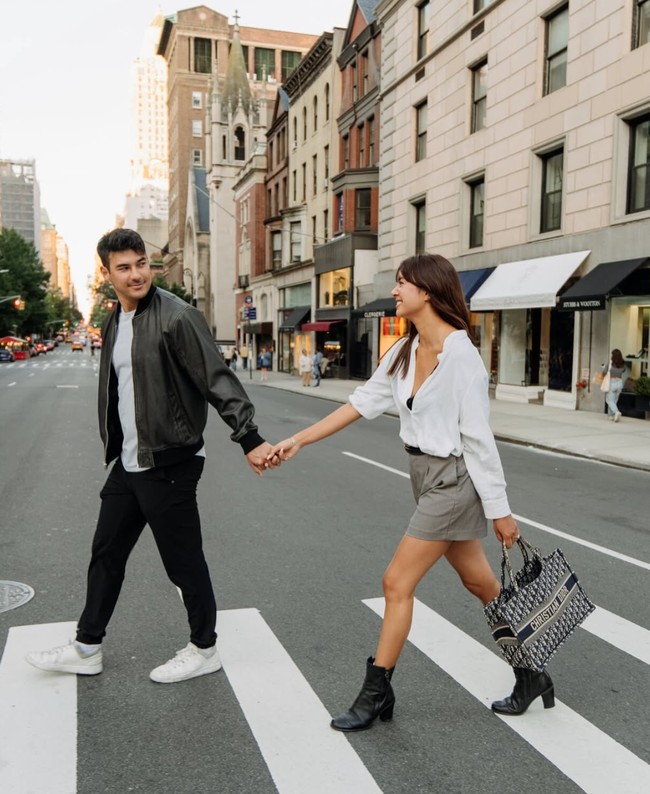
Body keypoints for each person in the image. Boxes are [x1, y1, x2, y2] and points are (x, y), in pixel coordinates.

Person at [268, 253, 549, 731]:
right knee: (481, 585)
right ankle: (531, 672)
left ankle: (376, 692)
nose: (395, 291)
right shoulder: (404, 349)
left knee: (396, 583)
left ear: (428, 291)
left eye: (402, 283)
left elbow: (479, 440)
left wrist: (500, 511)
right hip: (423, 477)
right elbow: (359, 404)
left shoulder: (461, 356)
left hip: (452, 482)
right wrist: (298, 440)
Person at [26, 228, 279, 684]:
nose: (136, 274)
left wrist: (250, 437)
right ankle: (86, 647)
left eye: (141, 263)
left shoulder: (177, 317)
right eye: (124, 268)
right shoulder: (114, 321)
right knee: (106, 553)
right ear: (107, 275)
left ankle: (204, 648)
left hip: (170, 460)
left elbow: (216, 378)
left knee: (183, 563)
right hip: (129, 462)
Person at [602, 348, 626, 422]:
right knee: (614, 400)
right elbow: (624, 370)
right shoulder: (623, 363)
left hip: (612, 382)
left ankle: (616, 412)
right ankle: (611, 416)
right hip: (619, 383)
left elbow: (604, 372)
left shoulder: (610, 363)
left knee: (609, 400)